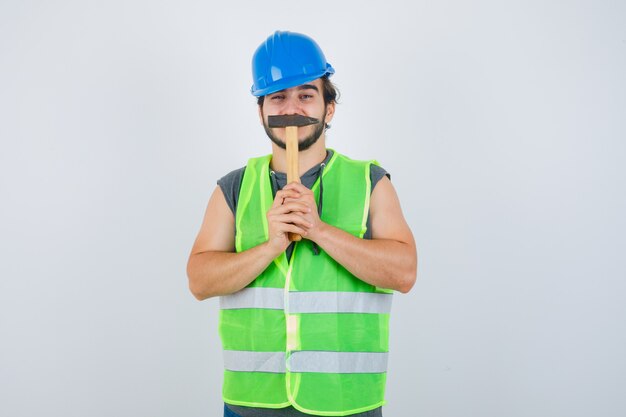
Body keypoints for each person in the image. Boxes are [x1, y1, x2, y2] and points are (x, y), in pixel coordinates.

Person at [187, 30, 417, 417]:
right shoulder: (234, 187)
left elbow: (404, 273)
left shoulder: (371, 181)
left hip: (345, 403)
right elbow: (199, 281)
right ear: (261, 111)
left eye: (306, 95)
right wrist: (270, 246)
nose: (291, 107)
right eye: (277, 96)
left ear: (329, 109)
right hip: (251, 402)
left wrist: (319, 230)